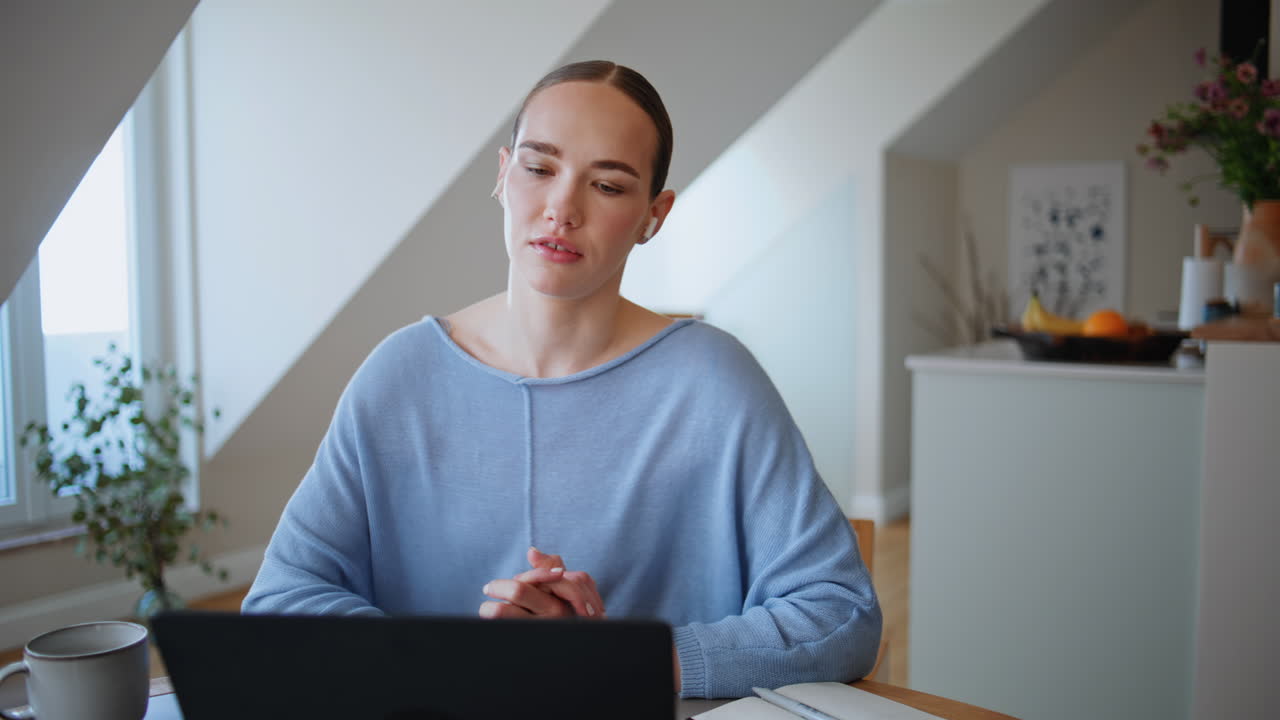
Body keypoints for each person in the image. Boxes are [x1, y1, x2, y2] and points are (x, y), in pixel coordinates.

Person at [242, 60, 881, 699]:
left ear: (653, 216)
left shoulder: (717, 383)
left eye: (607, 185)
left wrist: (619, 659)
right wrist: (450, 659)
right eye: (539, 168)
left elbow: (841, 615)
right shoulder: (398, 376)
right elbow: (278, 601)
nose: (560, 209)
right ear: (502, 174)